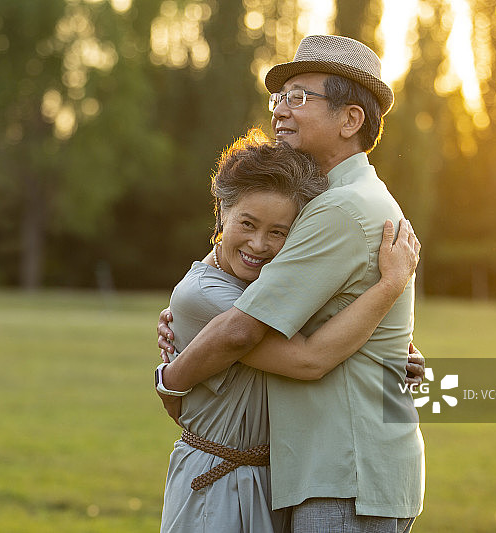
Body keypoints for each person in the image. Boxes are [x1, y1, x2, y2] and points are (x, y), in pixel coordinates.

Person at [156, 35, 425, 532]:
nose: (280, 111)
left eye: (299, 97)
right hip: (341, 469)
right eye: (279, 98)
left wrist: (170, 381)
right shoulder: (350, 199)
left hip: (343, 471)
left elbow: (241, 330)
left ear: (350, 119)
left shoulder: (340, 210)